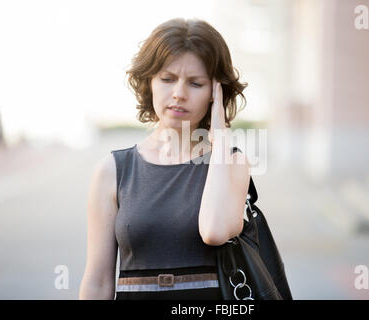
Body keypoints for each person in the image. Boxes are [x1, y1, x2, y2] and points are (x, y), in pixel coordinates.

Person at [79, 18, 250, 300]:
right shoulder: (113, 171)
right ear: (149, 81)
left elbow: (215, 231)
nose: (179, 94)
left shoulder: (232, 163)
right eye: (167, 79)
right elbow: (97, 281)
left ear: (215, 92)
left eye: (196, 83)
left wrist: (219, 139)